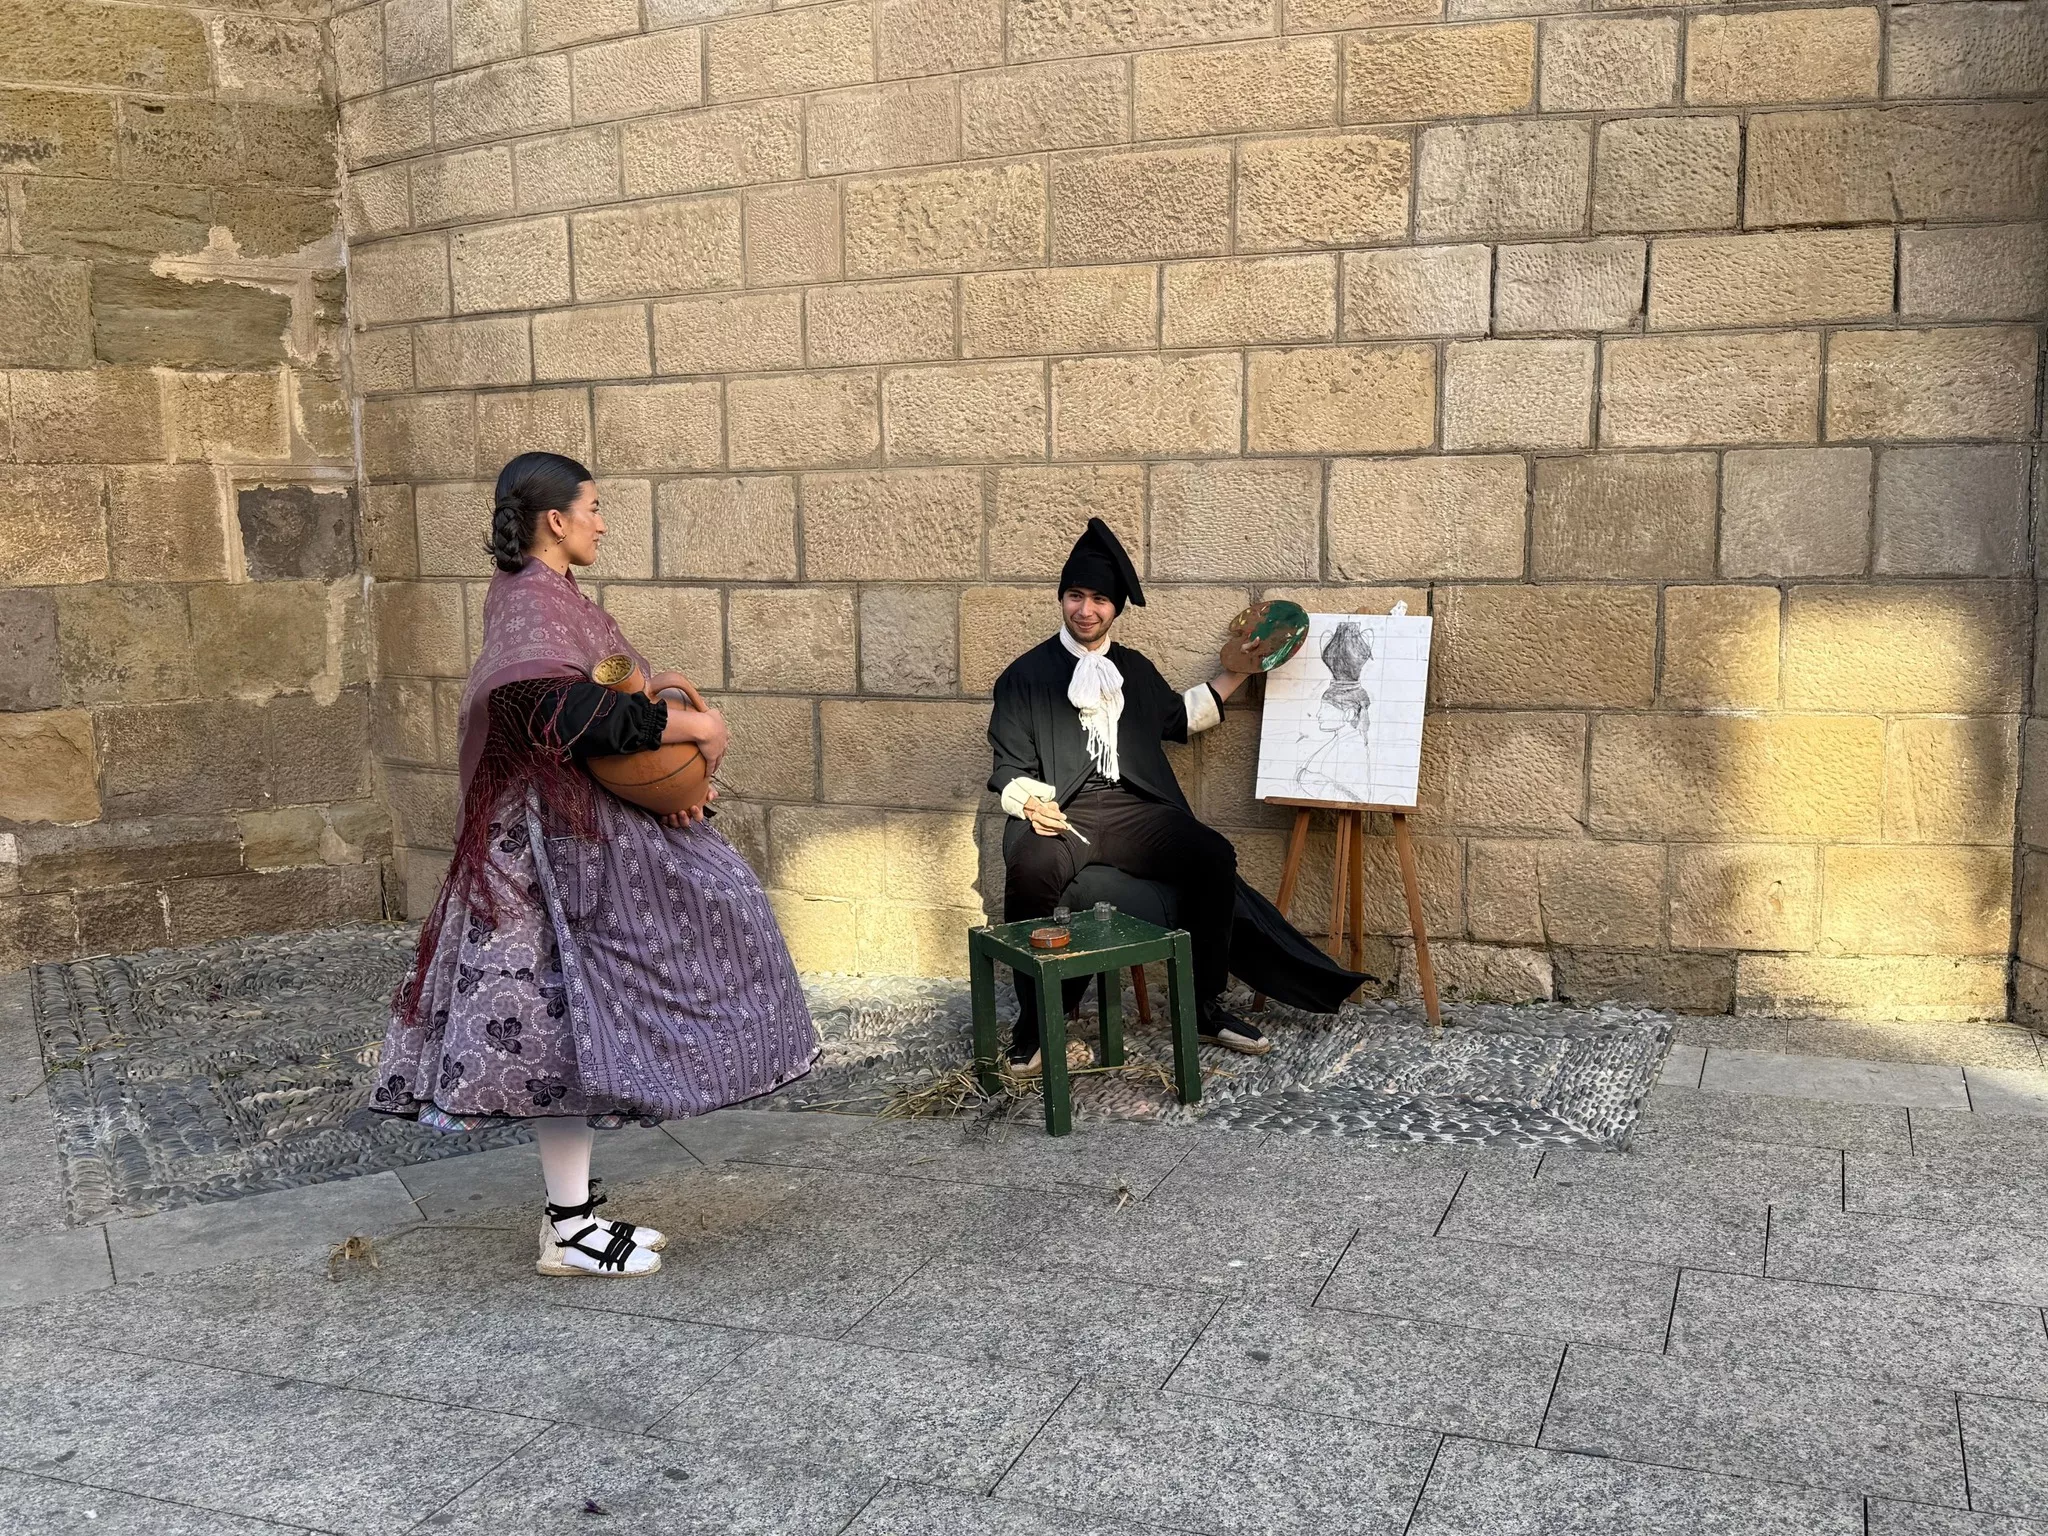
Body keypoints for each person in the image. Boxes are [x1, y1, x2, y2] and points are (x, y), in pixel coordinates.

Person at [370, 452, 818, 1278]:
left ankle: (569, 1219)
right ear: (556, 519)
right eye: (595, 508)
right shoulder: (530, 603)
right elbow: (564, 712)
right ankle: (569, 1228)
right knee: (559, 1030)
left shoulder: (550, 598)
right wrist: (695, 733)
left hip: (577, 833)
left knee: (578, 1029)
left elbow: (611, 695)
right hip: (541, 853)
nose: (602, 524)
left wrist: (670, 772)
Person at [988, 519, 1368, 1072]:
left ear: (1115, 608)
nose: (1086, 610)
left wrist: (1238, 670)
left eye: (1099, 599)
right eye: (1076, 596)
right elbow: (1008, 765)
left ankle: (1203, 1008)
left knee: (1212, 856)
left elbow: (1179, 718)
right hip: (1064, 814)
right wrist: (1030, 802)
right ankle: (1035, 1028)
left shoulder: (1134, 670)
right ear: (1062, 598)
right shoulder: (1024, 676)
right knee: (1030, 871)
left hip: (1132, 811)